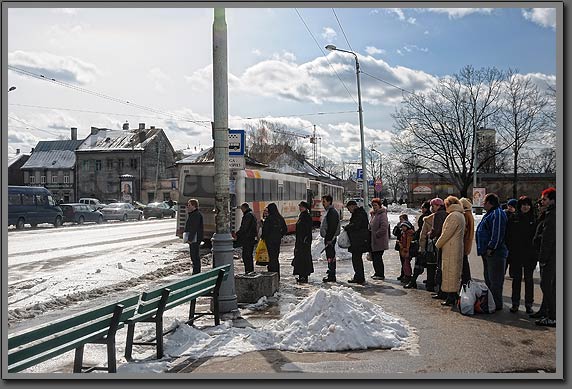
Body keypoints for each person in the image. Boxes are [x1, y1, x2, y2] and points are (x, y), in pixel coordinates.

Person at [476, 193, 508, 311]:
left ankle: (496, 304)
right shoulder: (490, 214)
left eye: (484, 202)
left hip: (495, 253)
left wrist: (491, 247)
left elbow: (498, 233)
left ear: (490, 203)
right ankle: (491, 302)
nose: (483, 204)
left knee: (495, 281)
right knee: (489, 279)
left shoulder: (497, 214)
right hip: (487, 252)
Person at [506, 196, 538, 314]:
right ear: (519, 206)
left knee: (529, 280)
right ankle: (515, 303)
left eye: (528, 204)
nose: (525, 207)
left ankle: (529, 304)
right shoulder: (514, 218)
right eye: (523, 204)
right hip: (516, 254)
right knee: (517, 279)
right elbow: (508, 236)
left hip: (530, 254)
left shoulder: (534, 219)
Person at [435, 196, 465, 306]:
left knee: (450, 272)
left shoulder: (453, 216)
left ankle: (451, 297)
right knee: (454, 272)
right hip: (455, 247)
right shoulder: (459, 214)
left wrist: (438, 244)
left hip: (451, 248)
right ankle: (452, 295)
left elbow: (447, 233)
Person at [533, 188, 556, 327]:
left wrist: (542, 258)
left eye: (545, 199)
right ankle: (545, 311)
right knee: (549, 286)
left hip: (551, 257)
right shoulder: (549, 213)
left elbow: (548, 239)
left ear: (552, 200)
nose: (542, 202)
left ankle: (553, 316)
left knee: (547, 285)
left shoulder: (553, 215)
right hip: (551, 256)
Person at [404, 202, 432, 289]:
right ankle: (430, 281)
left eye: (423, 208)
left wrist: (416, 237)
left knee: (419, 263)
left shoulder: (426, 218)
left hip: (423, 243)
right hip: (428, 243)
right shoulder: (431, 216)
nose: (422, 209)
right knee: (429, 264)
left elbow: (422, 231)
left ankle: (413, 281)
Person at [344, 200, 370, 284]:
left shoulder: (359, 214)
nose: (349, 211)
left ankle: (359, 277)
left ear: (353, 206)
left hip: (359, 240)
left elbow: (356, 225)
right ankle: (358, 276)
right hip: (358, 239)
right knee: (356, 259)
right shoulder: (359, 213)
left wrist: (347, 227)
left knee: (356, 259)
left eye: (349, 208)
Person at [428, 197, 448, 299]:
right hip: (446, 243)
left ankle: (441, 291)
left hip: (439, 242)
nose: (432, 208)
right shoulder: (447, 213)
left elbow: (435, 230)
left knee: (439, 266)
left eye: (433, 206)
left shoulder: (438, 215)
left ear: (438, 206)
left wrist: (430, 235)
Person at [261, 203, 288, 278]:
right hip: (277, 241)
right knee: (275, 257)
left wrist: (263, 238)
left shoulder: (269, 219)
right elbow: (285, 229)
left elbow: (265, 230)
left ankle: (272, 274)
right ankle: (277, 274)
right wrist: (280, 235)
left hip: (269, 241)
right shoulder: (280, 218)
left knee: (271, 258)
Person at [320, 194, 340, 282]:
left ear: (329, 202)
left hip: (330, 239)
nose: (322, 203)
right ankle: (330, 272)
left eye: (324, 202)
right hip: (329, 238)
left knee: (331, 256)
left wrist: (328, 239)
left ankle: (332, 275)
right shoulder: (330, 211)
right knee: (330, 255)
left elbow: (332, 227)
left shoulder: (332, 212)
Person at [292, 201, 314, 283]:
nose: (300, 208)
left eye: (302, 206)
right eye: (300, 206)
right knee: (301, 258)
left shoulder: (306, 217)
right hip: (301, 241)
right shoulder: (302, 216)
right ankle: (302, 275)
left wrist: (304, 239)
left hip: (304, 242)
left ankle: (303, 276)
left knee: (303, 258)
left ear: (305, 208)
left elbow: (306, 230)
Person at [235, 202, 258, 274]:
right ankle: (250, 270)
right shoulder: (251, 214)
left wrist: (237, 234)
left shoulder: (248, 216)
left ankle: (248, 270)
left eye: (242, 209)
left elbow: (244, 227)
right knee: (249, 255)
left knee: (246, 255)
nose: (241, 211)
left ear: (244, 208)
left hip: (247, 239)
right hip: (251, 238)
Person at [369, 198, 389, 280]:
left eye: (376, 205)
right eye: (373, 205)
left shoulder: (382, 214)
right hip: (374, 240)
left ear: (379, 205)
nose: (374, 207)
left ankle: (380, 274)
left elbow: (384, 227)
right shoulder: (374, 215)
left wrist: (377, 234)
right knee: (374, 258)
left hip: (379, 240)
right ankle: (377, 273)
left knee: (378, 258)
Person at [184, 198, 203, 275]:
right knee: (194, 255)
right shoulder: (193, 214)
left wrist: (190, 239)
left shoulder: (196, 215)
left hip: (195, 238)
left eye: (189, 205)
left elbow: (194, 227)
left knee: (194, 255)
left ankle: (196, 272)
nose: (187, 207)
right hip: (194, 238)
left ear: (194, 206)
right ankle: (196, 271)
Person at [459, 198, 475, 285]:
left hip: (464, 241)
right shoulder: (470, 214)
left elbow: (463, 229)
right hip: (468, 240)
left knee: (464, 262)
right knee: (465, 261)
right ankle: (467, 279)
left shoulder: (465, 214)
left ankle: (466, 280)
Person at [398, 220, 415, 284]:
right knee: (406, 264)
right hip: (405, 251)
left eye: (404, 226)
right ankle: (407, 276)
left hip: (406, 251)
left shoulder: (409, 234)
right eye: (402, 226)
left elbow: (408, 244)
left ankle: (408, 277)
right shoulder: (404, 233)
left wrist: (403, 248)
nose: (402, 228)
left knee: (406, 265)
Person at [393, 214, 409, 281]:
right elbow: (394, 233)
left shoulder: (408, 227)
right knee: (402, 261)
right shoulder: (400, 226)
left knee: (405, 262)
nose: (400, 221)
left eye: (401, 219)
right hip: (400, 246)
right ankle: (403, 274)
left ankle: (406, 275)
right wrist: (397, 226)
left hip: (404, 246)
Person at [504, 198, 518, 274]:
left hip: (514, 241)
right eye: (509, 206)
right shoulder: (504, 214)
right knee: (505, 258)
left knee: (513, 258)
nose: (510, 208)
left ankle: (512, 272)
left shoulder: (517, 215)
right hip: (506, 239)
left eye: (512, 206)